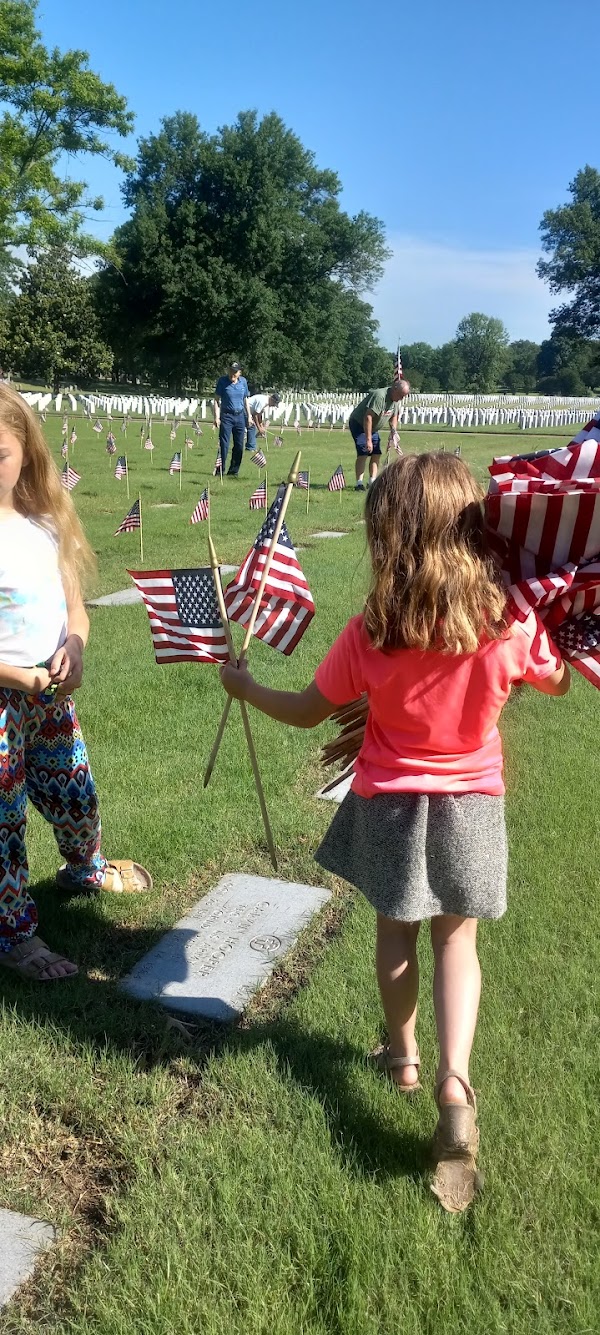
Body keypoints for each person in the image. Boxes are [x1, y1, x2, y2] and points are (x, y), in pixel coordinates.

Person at [219, 453, 569, 1211]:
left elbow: (311, 710)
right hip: (473, 805)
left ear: (390, 541)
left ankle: (403, 1055)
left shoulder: (374, 631)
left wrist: (247, 687)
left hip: (389, 805)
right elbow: (560, 675)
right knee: (457, 941)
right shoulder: (508, 622)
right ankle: (455, 1078)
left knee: (394, 935)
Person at [0, 384, 151, 982]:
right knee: (3, 819)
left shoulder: (42, 521)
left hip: (49, 692)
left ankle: (83, 866)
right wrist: (19, 676)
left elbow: (75, 607)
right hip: (5, 697)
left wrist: (76, 647)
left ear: (26, 451)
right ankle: (13, 934)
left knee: (76, 795)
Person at [348, 379, 411, 490]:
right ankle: (359, 483)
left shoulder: (395, 401)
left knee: (376, 453)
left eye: (404, 396)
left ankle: (372, 482)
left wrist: (393, 432)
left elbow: (394, 417)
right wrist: (368, 440)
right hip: (359, 424)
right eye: (401, 395)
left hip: (373, 427)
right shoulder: (379, 396)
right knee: (364, 452)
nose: (402, 398)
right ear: (395, 389)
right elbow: (368, 417)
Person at [213, 361, 251, 477]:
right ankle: (220, 470)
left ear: (239, 372)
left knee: (239, 445)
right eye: (230, 371)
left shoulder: (243, 382)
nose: (232, 374)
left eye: (235, 372)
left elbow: (245, 400)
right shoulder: (222, 381)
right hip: (227, 416)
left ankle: (233, 471)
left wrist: (249, 416)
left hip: (240, 416)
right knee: (224, 444)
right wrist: (216, 417)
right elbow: (216, 400)